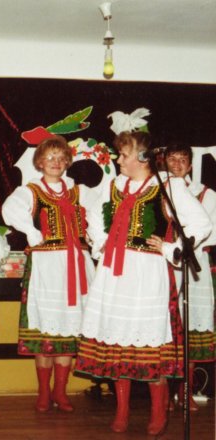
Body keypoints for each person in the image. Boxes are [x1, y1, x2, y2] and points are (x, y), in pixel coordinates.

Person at [74, 130, 212, 435]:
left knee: (151, 341)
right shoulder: (115, 185)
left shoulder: (168, 185)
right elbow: (93, 217)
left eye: (124, 155)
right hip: (114, 272)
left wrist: (171, 248)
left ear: (143, 158)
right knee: (118, 340)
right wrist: (102, 242)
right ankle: (122, 411)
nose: (119, 160)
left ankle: (158, 412)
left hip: (147, 272)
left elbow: (201, 223)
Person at [2, 135, 95, 413]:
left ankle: (60, 391)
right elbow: (9, 210)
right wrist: (31, 232)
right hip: (46, 266)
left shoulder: (80, 191)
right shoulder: (30, 191)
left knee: (68, 329)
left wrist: (97, 242)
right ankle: (43, 391)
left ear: (67, 162)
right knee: (46, 329)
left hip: (76, 265)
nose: (56, 162)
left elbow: (99, 218)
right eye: (50, 157)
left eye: (61, 157)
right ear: (40, 162)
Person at [163, 144, 216, 411]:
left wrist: (184, 248)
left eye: (182, 159)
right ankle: (163, 391)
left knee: (191, 328)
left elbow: (210, 232)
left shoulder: (207, 194)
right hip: (162, 262)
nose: (177, 164)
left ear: (191, 165)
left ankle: (185, 391)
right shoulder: (157, 190)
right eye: (172, 159)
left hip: (195, 266)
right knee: (165, 325)